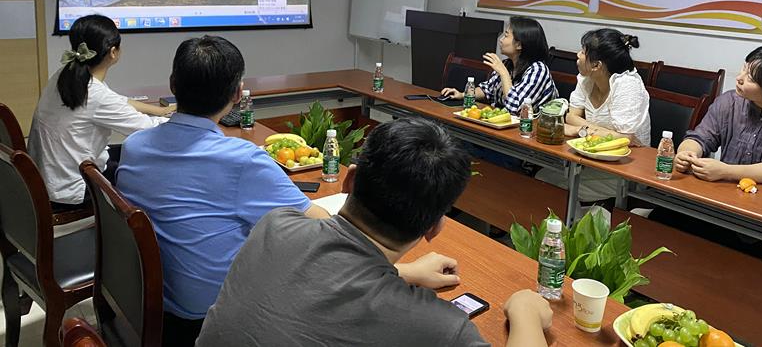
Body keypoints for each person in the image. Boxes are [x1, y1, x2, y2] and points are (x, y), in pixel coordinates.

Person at [196, 117, 553, 347]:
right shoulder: (438, 328)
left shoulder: (275, 225)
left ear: (349, 180)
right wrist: (524, 310)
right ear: (435, 227)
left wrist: (402, 273)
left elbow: (321, 279)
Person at [116, 35, 329, 347]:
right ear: (237, 94)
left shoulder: (133, 146)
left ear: (173, 85)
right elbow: (321, 227)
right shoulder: (243, 161)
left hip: (146, 298)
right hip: (208, 319)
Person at [27, 14, 168, 210]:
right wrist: (180, 118)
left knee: (125, 153)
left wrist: (160, 110)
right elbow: (147, 129)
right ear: (113, 52)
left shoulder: (66, 74)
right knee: (146, 161)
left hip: (46, 180)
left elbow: (116, 100)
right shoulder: (96, 95)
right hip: (73, 190)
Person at [537, 29, 650, 202]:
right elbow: (570, 117)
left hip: (625, 170)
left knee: (552, 185)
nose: (578, 54)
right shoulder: (586, 78)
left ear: (596, 65)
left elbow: (625, 139)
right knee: (542, 176)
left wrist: (581, 129)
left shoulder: (627, 85)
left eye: (583, 52)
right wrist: (590, 131)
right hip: (592, 159)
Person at [675, 45, 762, 184]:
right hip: (723, 190)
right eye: (744, 69)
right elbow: (701, 137)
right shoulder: (728, 102)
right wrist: (686, 153)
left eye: (751, 78)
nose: (739, 78)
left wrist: (726, 171)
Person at [441, 16, 558, 114]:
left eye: (506, 35)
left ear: (519, 45)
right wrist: (462, 95)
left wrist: (503, 73)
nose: (501, 40)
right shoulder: (508, 64)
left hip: (530, 130)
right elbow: (487, 90)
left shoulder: (538, 70)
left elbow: (516, 108)